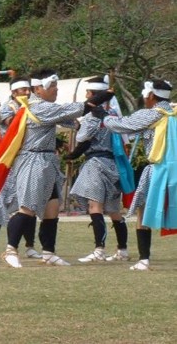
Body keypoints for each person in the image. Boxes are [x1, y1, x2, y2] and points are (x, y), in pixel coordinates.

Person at [0, 69, 113, 268]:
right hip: (32, 160)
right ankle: (10, 249)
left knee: (52, 209)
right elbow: (78, 109)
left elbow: (71, 119)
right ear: (37, 89)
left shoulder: (46, 108)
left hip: (47, 160)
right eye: (51, 86)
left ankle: (49, 252)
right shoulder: (38, 107)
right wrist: (103, 96)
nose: (56, 89)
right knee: (27, 207)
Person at [101, 79, 174, 271]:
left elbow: (122, 125)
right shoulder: (173, 112)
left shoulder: (151, 114)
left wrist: (104, 116)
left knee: (143, 210)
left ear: (151, 95)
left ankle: (144, 259)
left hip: (158, 169)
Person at [67, 76, 129, 263]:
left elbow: (82, 138)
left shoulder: (92, 116)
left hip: (96, 163)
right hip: (114, 165)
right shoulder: (115, 116)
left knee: (95, 206)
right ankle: (122, 250)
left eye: (88, 93)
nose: (86, 96)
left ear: (94, 96)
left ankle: (99, 249)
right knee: (114, 210)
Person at [0, 76, 42, 260]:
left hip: (26, 161)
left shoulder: (33, 106)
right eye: (23, 90)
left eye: (28, 90)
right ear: (14, 93)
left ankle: (30, 246)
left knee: (27, 202)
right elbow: (14, 126)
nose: (27, 92)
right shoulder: (6, 108)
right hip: (8, 162)